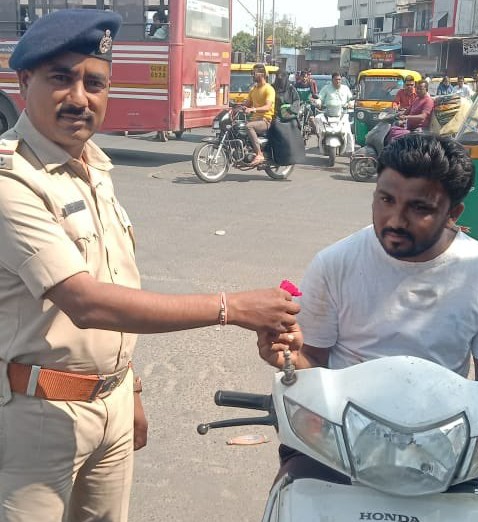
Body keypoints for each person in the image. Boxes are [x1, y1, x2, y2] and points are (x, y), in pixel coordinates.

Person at [0, 10, 300, 522]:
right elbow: (86, 301)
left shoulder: (95, 169)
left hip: (111, 403)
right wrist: (231, 308)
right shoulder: (12, 180)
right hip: (39, 412)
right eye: (60, 78)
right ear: (24, 81)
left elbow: (117, 283)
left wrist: (130, 391)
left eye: (94, 82)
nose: (79, 97)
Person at [257, 134, 478, 482]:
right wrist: (286, 357)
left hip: (441, 447)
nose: (395, 220)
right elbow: (312, 363)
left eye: (419, 208)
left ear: (452, 214)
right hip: (341, 439)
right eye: (385, 199)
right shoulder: (335, 263)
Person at [243, 62, 275, 166]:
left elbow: (268, 107)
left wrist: (253, 110)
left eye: (254, 73)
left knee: (249, 126)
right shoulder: (253, 89)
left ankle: (259, 154)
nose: (252, 75)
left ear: (261, 74)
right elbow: (247, 104)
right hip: (255, 120)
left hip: (265, 120)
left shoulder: (269, 89)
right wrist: (236, 107)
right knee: (236, 127)